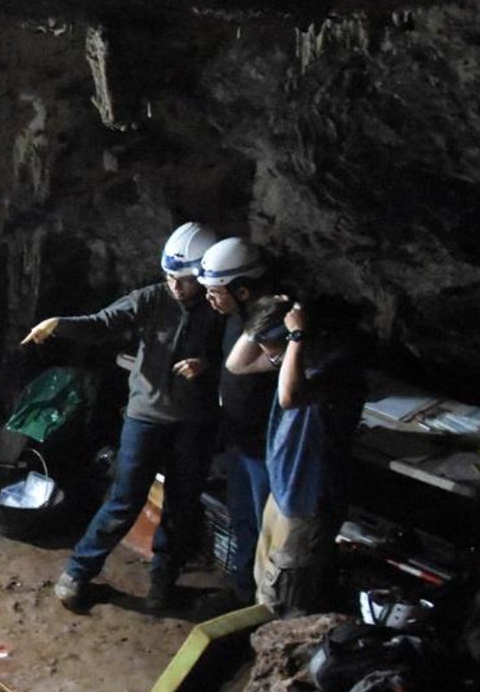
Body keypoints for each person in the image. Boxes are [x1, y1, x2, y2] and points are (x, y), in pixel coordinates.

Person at [24, 222, 225, 612]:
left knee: (182, 506)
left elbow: (237, 361)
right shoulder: (151, 299)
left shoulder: (220, 309)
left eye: (183, 279)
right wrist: (59, 325)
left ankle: (162, 584)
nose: (175, 285)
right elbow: (103, 324)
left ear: (203, 276)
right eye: (169, 276)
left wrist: (208, 367)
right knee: (124, 499)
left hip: (194, 422)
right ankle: (78, 572)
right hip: (146, 416)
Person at [225, 295, 369, 615]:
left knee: (286, 597)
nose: (271, 361)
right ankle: (261, 647)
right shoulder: (291, 357)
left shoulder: (337, 367)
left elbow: (290, 397)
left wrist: (296, 337)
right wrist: (266, 316)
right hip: (282, 490)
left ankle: (282, 657)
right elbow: (238, 364)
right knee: (265, 583)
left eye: (274, 354)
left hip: (309, 499)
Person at [198, 237, 275, 603]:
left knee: (266, 530)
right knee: (243, 520)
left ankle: (264, 601)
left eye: (216, 291)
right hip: (238, 440)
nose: (210, 299)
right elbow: (231, 369)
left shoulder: (270, 325)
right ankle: (243, 590)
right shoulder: (233, 320)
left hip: (264, 448)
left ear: (242, 290)